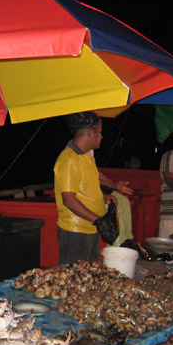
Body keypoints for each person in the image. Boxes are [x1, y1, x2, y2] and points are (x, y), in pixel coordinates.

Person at [53, 111, 132, 265]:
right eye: (100, 132)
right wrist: (99, 221)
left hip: (90, 228)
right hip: (75, 231)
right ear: (90, 133)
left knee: (90, 276)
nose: (101, 137)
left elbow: (87, 186)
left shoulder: (85, 156)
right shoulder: (69, 159)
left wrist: (104, 197)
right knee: (75, 279)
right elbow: (69, 200)